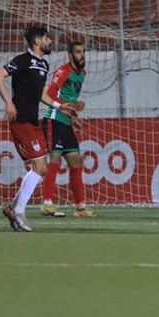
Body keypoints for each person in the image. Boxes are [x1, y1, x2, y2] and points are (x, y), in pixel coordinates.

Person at [0, 27, 76, 232]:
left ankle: (13, 208)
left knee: (41, 168)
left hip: (32, 121)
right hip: (20, 120)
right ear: (37, 41)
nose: (50, 41)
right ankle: (18, 211)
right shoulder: (23, 60)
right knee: (40, 167)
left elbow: (40, 94)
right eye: (47, 38)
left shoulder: (43, 64)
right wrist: (8, 102)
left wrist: (59, 106)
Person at [39, 40, 96, 219]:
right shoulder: (63, 72)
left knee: (76, 162)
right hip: (54, 119)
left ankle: (80, 208)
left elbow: (69, 100)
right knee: (55, 159)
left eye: (83, 51)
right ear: (70, 55)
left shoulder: (82, 74)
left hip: (65, 121)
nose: (82, 55)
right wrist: (67, 108)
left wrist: (73, 116)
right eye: (78, 52)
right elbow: (49, 95)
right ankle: (47, 203)